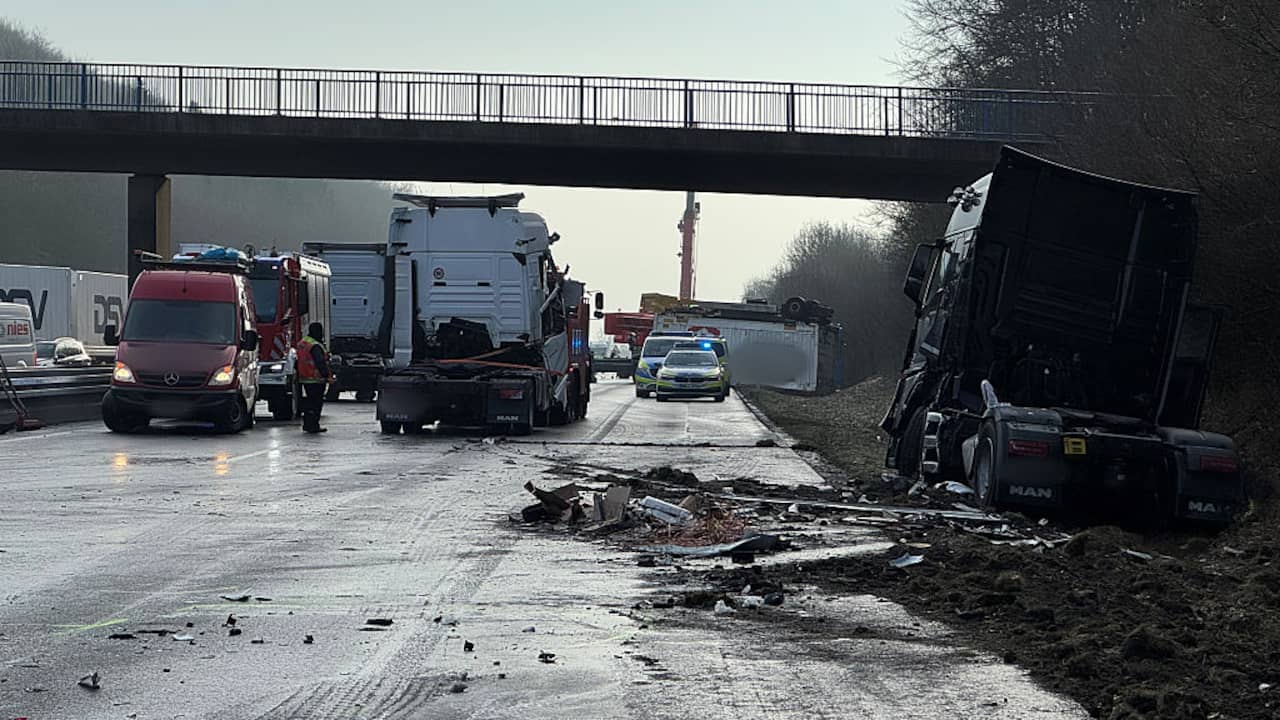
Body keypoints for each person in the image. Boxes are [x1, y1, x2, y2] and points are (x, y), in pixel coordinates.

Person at [295, 322, 334, 433]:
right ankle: (313, 425)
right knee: (316, 404)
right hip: (316, 379)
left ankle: (307, 424)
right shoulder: (315, 345)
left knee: (309, 404)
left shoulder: (303, 342)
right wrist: (327, 376)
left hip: (304, 378)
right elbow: (320, 362)